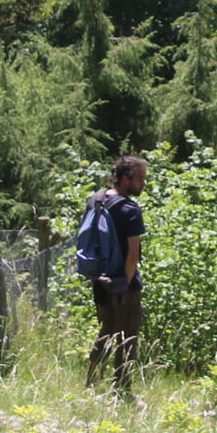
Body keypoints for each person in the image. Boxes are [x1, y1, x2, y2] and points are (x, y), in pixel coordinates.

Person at [75, 155, 147, 395]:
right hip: (121, 282)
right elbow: (133, 255)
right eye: (140, 178)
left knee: (106, 330)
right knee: (127, 337)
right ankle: (123, 390)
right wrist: (124, 283)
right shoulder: (129, 209)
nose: (143, 184)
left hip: (98, 277)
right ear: (126, 179)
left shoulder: (95, 200)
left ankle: (91, 383)